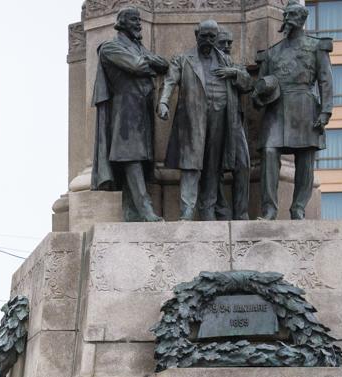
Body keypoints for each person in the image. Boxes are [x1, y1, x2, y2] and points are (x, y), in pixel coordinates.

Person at [157, 19, 251, 220]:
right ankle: (187, 211)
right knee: (191, 166)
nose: (208, 40)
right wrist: (163, 102)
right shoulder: (184, 59)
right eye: (204, 36)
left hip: (221, 120)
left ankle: (208, 210)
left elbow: (247, 83)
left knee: (213, 167)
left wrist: (234, 73)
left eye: (212, 37)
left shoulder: (226, 61)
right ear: (196, 35)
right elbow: (170, 81)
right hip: (193, 120)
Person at [255, 1, 333, 220]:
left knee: (305, 157)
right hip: (276, 108)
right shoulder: (272, 53)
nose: (287, 19)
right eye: (286, 15)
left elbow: (325, 81)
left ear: (302, 19)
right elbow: (261, 83)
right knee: (269, 152)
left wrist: (325, 111)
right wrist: (259, 96)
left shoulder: (316, 46)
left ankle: (298, 207)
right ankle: (269, 209)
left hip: (305, 107)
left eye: (292, 15)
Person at [90, 6, 169, 222]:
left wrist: (148, 62)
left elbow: (163, 64)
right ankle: (145, 209)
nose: (138, 24)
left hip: (142, 111)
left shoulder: (138, 47)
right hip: (124, 112)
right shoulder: (110, 48)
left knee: (140, 159)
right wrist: (148, 63)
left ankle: (133, 212)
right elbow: (136, 66)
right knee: (131, 157)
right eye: (134, 20)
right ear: (122, 23)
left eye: (139, 20)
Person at [214, 26, 251, 220]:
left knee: (243, 164)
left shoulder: (235, 65)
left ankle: (241, 212)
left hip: (234, 121)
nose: (227, 46)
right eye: (223, 42)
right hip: (213, 121)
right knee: (213, 167)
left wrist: (233, 73)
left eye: (230, 42)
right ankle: (221, 210)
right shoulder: (204, 64)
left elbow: (247, 84)